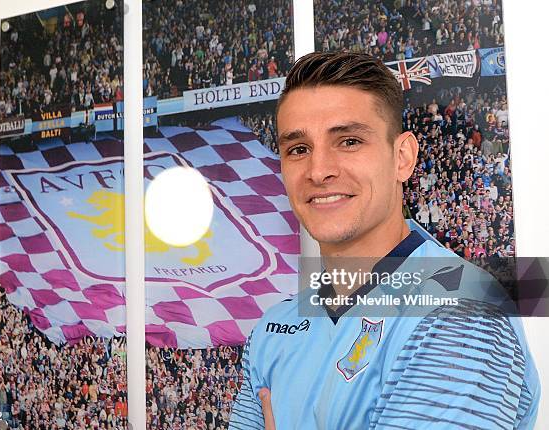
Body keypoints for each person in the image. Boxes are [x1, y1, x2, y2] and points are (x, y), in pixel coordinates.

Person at [228, 52, 539, 429]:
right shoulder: (274, 327)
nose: (319, 170)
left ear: (402, 157)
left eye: (349, 141)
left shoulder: (464, 310)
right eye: (298, 149)